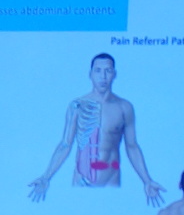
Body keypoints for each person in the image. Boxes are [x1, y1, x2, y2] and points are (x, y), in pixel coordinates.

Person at [27, 53, 165, 204]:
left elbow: (132, 146)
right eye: (98, 70)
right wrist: (46, 177)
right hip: (81, 183)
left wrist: (147, 180)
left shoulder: (124, 107)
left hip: (111, 182)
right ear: (90, 74)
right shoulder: (77, 106)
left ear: (114, 74)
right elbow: (65, 144)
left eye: (108, 71)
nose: (103, 76)